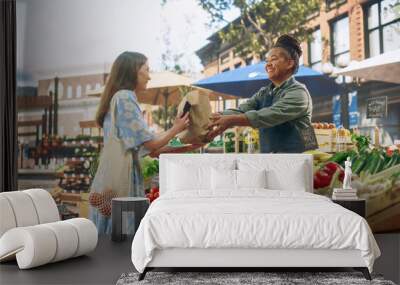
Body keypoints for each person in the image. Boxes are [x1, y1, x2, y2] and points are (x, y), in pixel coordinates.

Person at [90, 51, 201, 234]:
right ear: (134, 70)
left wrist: (186, 146)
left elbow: (152, 150)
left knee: (110, 235)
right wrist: (176, 128)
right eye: (146, 70)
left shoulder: (116, 98)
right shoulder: (125, 97)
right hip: (122, 179)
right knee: (123, 235)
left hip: (111, 177)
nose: (149, 76)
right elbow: (151, 144)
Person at [207, 35, 317, 153]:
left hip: (300, 159)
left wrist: (232, 120)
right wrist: (214, 116)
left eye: (273, 59)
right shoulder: (264, 93)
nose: (268, 64)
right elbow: (241, 110)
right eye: (267, 61)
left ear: (290, 63)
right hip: (270, 159)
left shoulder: (299, 92)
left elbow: (271, 114)